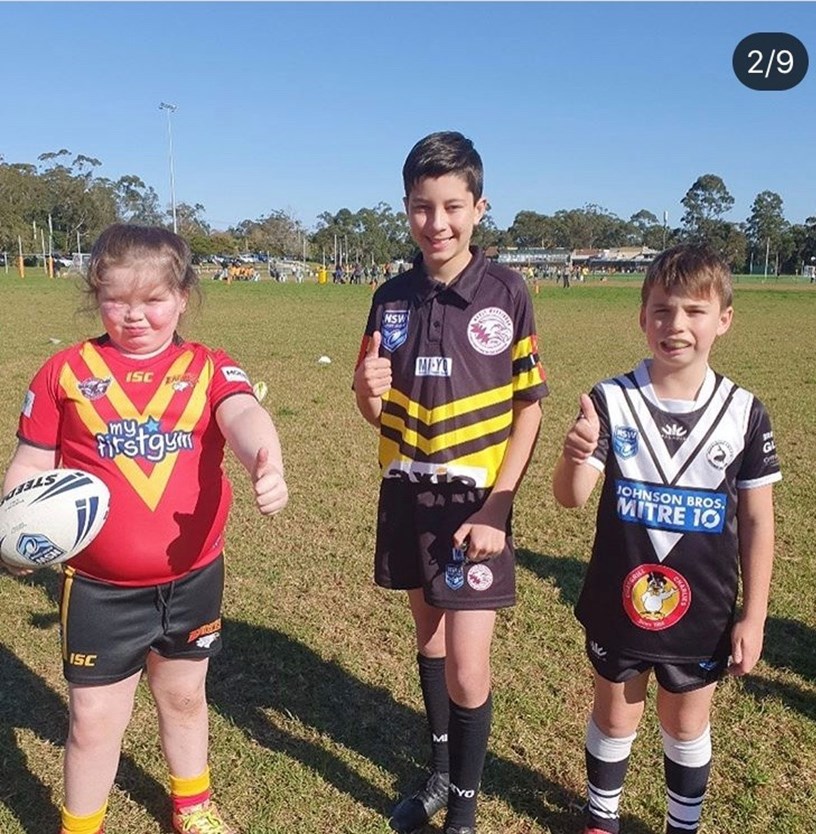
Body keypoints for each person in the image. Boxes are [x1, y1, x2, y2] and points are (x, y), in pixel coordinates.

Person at [1, 223, 289, 834]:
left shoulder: (208, 367)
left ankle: (192, 806)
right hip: (100, 589)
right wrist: (14, 532)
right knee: (93, 720)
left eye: (153, 299)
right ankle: (81, 827)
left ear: (182, 297)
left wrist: (266, 459)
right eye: (116, 300)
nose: (134, 316)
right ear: (95, 296)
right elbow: (30, 461)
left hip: (192, 578)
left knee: (184, 696)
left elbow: (243, 413)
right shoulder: (64, 373)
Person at [353, 131, 548, 834]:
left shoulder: (506, 292)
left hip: (475, 506)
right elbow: (375, 408)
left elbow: (530, 409)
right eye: (421, 207)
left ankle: (462, 813)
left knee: (468, 665)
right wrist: (366, 392)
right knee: (429, 637)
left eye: (452, 207)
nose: (436, 223)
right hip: (408, 490)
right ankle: (439, 775)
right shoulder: (390, 297)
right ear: (405, 208)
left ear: (479, 208)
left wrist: (499, 506)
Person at [552, 243, 781, 834]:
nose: (676, 324)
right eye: (662, 310)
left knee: (685, 724)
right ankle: (602, 817)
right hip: (619, 598)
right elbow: (571, 497)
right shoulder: (612, 400)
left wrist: (753, 616)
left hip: (702, 608)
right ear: (642, 317)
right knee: (615, 716)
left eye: (694, 311)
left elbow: (758, 521)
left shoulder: (744, 412)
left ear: (723, 320)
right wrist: (575, 454)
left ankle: (684, 825)